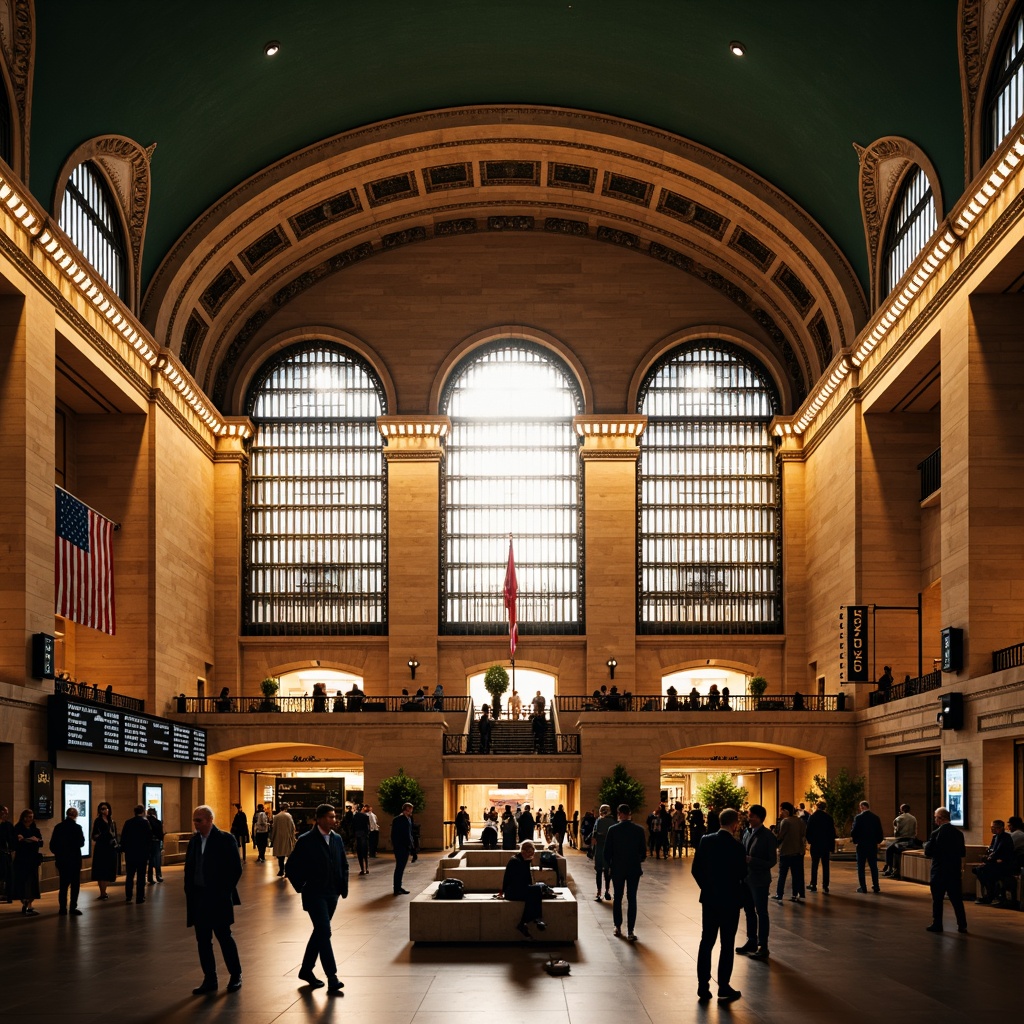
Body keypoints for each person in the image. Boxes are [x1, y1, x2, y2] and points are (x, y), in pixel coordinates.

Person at [285, 803, 348, 994]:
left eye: (334, 816)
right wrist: (302, 886)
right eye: (330, 816)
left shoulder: (337, 839)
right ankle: (332, 977)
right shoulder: (306, 840)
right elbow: (291, 867)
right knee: (324, 931)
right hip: (314, 894)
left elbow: (343, 863)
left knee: (320, 932)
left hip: (332, 894)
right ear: (319, 819)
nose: (333, 820)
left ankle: (306, 970)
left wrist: (341, 887)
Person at [184, 805, 243, 994]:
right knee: (203, 940)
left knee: (224, 936)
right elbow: (190, 868)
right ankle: (210, 979)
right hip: (199, 898)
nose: (196, 823)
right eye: (194, 820)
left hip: (218, 897)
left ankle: (235, 975)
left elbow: (235, 869)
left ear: (210, 820)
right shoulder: (194, 842)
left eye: (199, 820)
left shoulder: (225, 839)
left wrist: (223, 891)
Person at [692, 808, 747, 1003]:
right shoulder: (738, 847)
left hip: (709, 900)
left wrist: (707, 888)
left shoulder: (706, 841)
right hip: (730, 901)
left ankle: (702, 985)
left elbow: (696, 869)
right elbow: (742, 874)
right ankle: (723, 986)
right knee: (727, 943)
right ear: (734, 825)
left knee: (706, 941)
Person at [736, 803, 777, 960]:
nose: (749, 817)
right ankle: (751, 940)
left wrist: (752, 860)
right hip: (747, 878)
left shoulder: (768, 836)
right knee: (748, 911)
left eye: (751, 815)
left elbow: (771, 861)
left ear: (759, 818)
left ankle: (763, 945)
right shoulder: (747, 832)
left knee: (761, 912)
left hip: (759, 880)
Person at [604, 803, 647, 941]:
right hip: (634, 868)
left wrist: (611, 864)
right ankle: (630, 931)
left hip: (617, 868)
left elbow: (607, 852)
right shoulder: (639, 830)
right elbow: (643, 853)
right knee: (632, 898)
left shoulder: (613, 830)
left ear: (620, 814)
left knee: (618, 897)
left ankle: (617, 926)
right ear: (629, 814)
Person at [924, 806, 967, 933]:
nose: (935, 820)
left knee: (937, 900)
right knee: (957, 900)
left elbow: (928, 851)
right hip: (954, 871)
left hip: (939, 871)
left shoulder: (936, 833)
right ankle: (962, 924)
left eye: (936, 817)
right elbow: (962, 852)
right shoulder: (959, 833)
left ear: (941, 818)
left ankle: (937, 924)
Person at [498, 840, 547, 938]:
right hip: (512, 891)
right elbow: (518, 882)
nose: (531, 857)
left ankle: (525, 922)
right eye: (530, 854)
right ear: (524, 851)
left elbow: (527, 883)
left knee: (536, 892)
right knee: (536, 891)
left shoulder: (523, 860)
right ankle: (534, 919)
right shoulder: (516, 861)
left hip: (519, 889)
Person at [50, 806, 85, 916]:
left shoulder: (58, 827)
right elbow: (81, 843)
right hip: (74, 860)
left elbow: (52, 845)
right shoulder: (77, 828)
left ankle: (62, 908)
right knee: (75, 885)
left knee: (63, 885)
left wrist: (59, 854)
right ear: (75, 816)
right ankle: (73, 907)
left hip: (63, 860)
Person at [973, 818, 1015, 904]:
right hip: (994, 862)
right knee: (978, 870)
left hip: (1004, 864)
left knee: (986, 871)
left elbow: (999, 851)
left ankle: (991, 895)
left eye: (994, 827)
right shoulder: (995, 837)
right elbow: (991, 849)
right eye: (991, 827)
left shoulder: (1006, 837)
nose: (992, 829)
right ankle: (989, 893)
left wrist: (991, 857)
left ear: (1000, 827)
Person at [12, 808, 44, 915]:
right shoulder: (18, 828)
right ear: (24, 817)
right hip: (22, 859)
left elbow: (40, 841)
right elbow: (16, 842)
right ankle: (24, 902)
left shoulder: (35, 829)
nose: (30, 819)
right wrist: (26, 840)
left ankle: (30, 904)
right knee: (23, 881)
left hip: (33, 859)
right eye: (28, 817)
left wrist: (35, 840)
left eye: (32, 817)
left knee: (33, 881)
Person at [120, 803, 153, 904]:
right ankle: (140, 897)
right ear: (143, 812)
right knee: (141, 875)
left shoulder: (128, 822)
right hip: (142, 853)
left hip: (130, 853)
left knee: (130, 875)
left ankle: (128, 896)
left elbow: (123, 838)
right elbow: (149, 838)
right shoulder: (145, 823)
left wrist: (125, 849)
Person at [773, 802, 806, 901]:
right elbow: (803, 834)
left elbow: (779, 836)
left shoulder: (785, 821)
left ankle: (779, 894)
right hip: (798, 852)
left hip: (786, 852)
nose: (780, 812)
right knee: (796, 875)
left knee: (782, 875)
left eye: (781, 810)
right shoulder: (800, 821)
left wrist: (779, 822)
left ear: (785, 811)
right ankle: (795, 894)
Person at [851, 799, 884, 893]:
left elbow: (854, 831)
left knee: (861, 866)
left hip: (861, 845)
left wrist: (856, 841)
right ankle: (876, 886)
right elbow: (880, 833)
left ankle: (863, 887)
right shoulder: (876, 818)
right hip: (872, 845)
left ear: (862, 807)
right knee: (873, 866)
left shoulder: (858, 818)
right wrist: (877, 841)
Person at [805, 800, 836, 892]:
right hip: (825, 845)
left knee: (814, 865)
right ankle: (825, 885)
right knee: (826, 866)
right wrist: (831, 846)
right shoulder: (829, 818)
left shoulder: (813, 817)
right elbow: (832, 833)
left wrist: (810, 841)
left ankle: (813, 884)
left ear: (817, 807)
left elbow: (808, 831)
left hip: (816, 844)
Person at [90, 801, 118, 900]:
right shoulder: (98, 821)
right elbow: (94, 835)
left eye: (105, 808)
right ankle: (102, 892)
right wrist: (102, 835)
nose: (104, 810)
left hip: (110, 848)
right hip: (101, 848)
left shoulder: (112, 821)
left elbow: (115, 835)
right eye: (102, 809)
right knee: (101, 870)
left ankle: (104, 891)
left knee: (108, 870)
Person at [882, 803, 918, 879]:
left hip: (901, 839)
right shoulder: (913, 818)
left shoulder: (899, 818)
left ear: (901, 810)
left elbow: (896, 832)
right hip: (911, 840)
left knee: (889, 850)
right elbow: (915, 831)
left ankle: (890, 868)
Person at [391, 802, 415, 895]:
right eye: (410, 810)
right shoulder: (398, 820)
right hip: (400, 847)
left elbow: (409, 834)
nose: (411, 812)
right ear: (406, 810)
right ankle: (397, 888)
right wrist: (397, 846)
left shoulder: (408, 819)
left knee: (401, 868)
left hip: (405, 847)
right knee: (399, 867)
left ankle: (398, 886)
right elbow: (395, 835)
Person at [271, 803, 297, 877]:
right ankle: (287, 871)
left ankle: (281, 870)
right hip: (287, 837)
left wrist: (273, 838)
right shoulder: (289, 816)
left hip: (278, 838)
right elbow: (293, 827)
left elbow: (274, 828)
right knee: (288, 855)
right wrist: (293, 836)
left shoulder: (276, 817)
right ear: (287, 808)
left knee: (280, 856)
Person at [0, 805, 15, 903]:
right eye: (4, 812)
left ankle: (9, 895)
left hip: (6, 852)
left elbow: (12, 838)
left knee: (9, 874)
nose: (6, 814)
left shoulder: (8, 825)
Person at [146, 807, 165, 883]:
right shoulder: (158, 822)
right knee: (157, 860)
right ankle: (158, 876)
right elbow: (161, 834)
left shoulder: (146, 822)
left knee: (150, 861)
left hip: (149, 843)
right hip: (156, 842)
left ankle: (150, 878)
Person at [352, 803, 370, 875]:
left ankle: (362, 869)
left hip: (358, 835)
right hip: (364, 835)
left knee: (359, 853)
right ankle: (367, 868)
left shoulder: (355, 816)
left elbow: (353, 826)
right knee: (365, 852)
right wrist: (367, 833)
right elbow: (367, 826)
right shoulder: (365, 816)